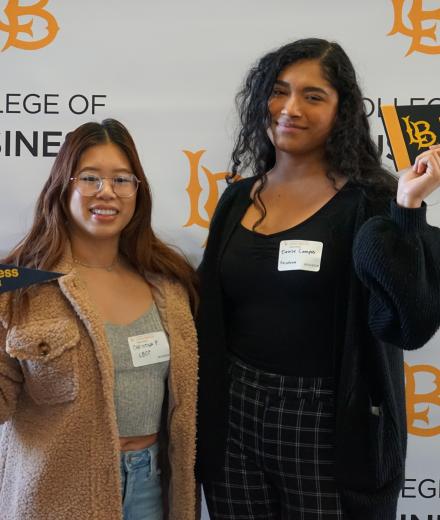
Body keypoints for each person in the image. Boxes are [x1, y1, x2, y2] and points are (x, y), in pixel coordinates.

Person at [196, 38, 440, 520]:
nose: (290, 109)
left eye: (313, 96)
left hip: (329, 421)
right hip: (232, 412)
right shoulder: (237, 198)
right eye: (279, 91)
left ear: (342, 110)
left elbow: (410, 323)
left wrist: (408, 209)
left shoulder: (372, 202)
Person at [0, 119, 199, 520]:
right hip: (56, 494)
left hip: (151, 485)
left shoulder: (170, 282)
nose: (106, 191)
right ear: (64, 187)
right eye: (90, 177)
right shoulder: (19, 287)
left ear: (137, 191)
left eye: (122, 180)